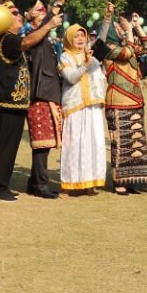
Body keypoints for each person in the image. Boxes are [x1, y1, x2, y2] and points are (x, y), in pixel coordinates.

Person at [0, 0, 61, 202]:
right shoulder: (8, 39)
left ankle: (0, 186)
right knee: (4, 147)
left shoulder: (7, 39)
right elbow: (28, 41)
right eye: (14, 13)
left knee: (7, 146)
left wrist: (47, 13)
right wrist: (49, 24)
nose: (19, 16)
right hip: (5, 105)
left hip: (8, 104)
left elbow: (30, 36)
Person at [97, 9, 147, 194]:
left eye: (123, 24)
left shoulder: (129, 45)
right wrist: (129, 32)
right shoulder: (108, 49)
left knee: (135, 144)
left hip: (135, 101)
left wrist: (137, 27)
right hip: (118, 101)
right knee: (120, 143)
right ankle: (119, 181)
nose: (123, 27)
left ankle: (132, 180)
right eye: (119, 25)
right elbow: (127, 53)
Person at [23, 0, 68, 198]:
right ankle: (40, 185)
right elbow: (46, 24)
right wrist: (58, 2)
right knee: (42, 143)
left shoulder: (42, 38)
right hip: (40, 95)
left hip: (48, 93)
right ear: (32, 20)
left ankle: (35, 182)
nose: (44, 14)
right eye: (39, 12)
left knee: (46, 142)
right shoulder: (32, 36)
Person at [58, 23, 109, 195]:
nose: (80, 39)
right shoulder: (65, 57)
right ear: (69, 39)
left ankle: (90, 183)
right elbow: (71, 78)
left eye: (82, 35)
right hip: (75, 106)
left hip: (92, 107)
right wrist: (86, 64)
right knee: (74, 145)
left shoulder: (91, 55)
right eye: (76, 36)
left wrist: (107, 19)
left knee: (93, 144)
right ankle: (68, 184)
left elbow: (102, 39)